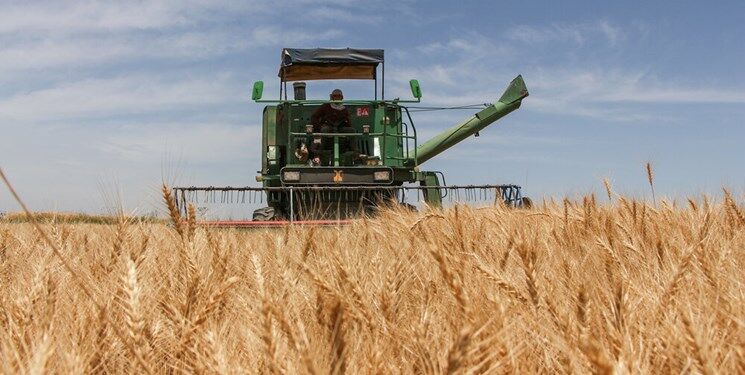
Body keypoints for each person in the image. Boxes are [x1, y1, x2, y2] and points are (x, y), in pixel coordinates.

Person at [309, 89, 360, 165]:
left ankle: (355, 153)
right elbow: (314, 117)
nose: (337, 97)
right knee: (324, 130)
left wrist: (347, 124)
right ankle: (321, 152)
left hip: (340, 128)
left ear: (341, 97)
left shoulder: (344, 109)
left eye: (339, 96)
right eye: (335, 96)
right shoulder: (326, 106)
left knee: (352, 130)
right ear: (332, 97)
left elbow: (348, 121)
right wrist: (319, 126)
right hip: (328, 127)